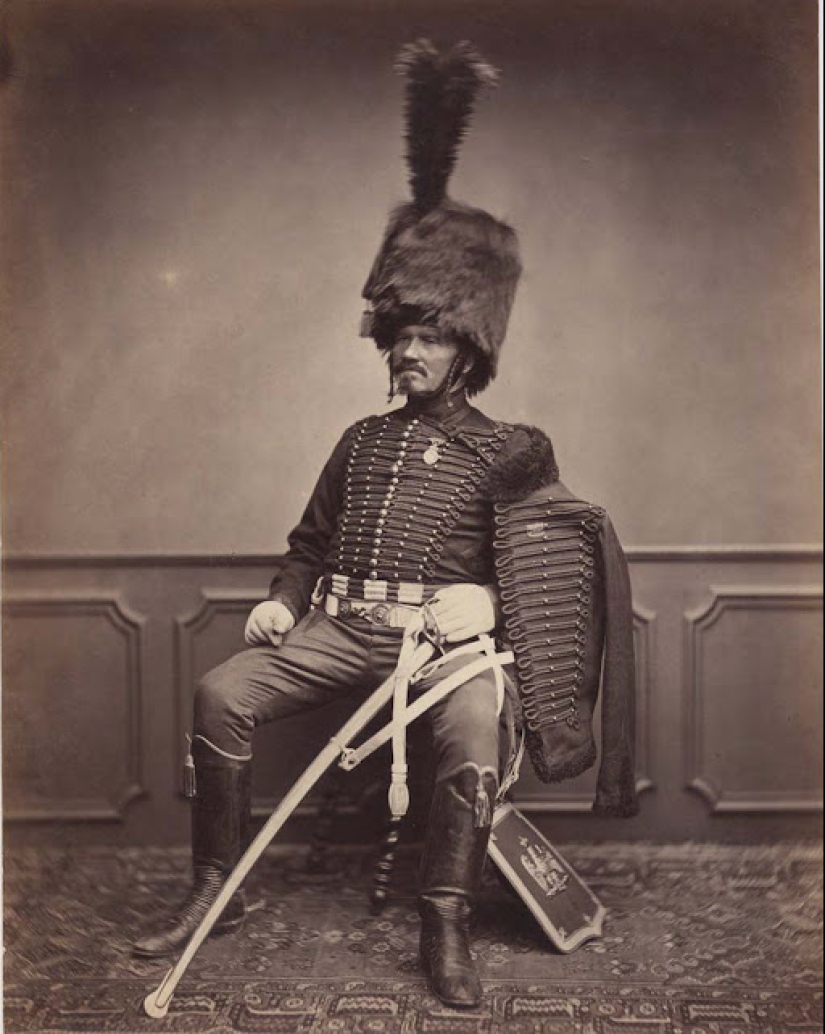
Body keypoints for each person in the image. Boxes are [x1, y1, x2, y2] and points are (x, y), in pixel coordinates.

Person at [133, 40, 638, 1009]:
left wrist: (487, 602)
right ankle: (212, 893)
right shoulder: (360, 439)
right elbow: (308, 542)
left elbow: (556, 565)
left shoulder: (513, 449)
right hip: (339, 629)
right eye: (401, 334)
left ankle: (443, 920)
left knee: (476, 730)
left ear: (467, 352)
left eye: (430, 336)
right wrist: (284, 602)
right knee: (219, 692)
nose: (409, 350)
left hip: (443, 653)